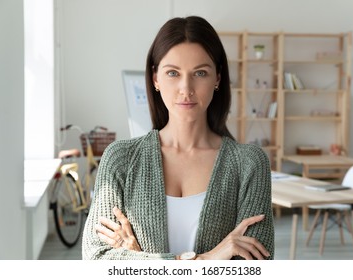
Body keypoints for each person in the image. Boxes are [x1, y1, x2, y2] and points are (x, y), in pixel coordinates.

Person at [82, 15, 274, 260]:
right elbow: (97, 259)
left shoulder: (249, 163)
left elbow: (256, 266)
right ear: (155, 78)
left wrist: (137, 258)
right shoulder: (120, 159)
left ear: (217, 78)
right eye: (173, 73)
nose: (186, 88)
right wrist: (206, 259)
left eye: (200, 73)